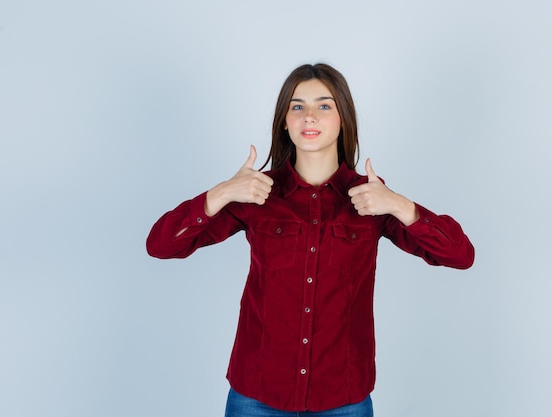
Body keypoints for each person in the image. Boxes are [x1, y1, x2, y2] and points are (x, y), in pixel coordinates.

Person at [146, 63, 474, 417]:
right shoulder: (256, 195)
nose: (309, 117)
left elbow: (460, 254)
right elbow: (162, 245)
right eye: (297, 106)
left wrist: (400, 205)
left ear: (343, 119)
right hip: (256, 395)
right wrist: (221, 193)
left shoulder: (371, 199)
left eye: (324, 105)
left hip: (343, 398)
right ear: (284, 121)